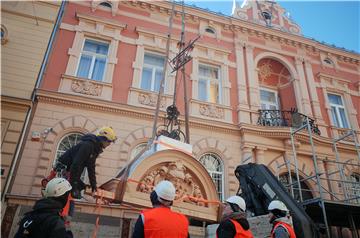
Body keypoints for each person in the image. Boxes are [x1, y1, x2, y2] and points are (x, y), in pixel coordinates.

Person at [54, 126, 117, 198]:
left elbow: (91, 168)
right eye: (109, 141)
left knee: (81, 188)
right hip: (65, 170)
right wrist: (74, 186)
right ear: (103, 139)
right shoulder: (87, 145)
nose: (109, 144)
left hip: (71, 173)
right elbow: (76, 164)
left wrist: (94, 185)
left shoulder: (95, 149)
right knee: (64, 198)